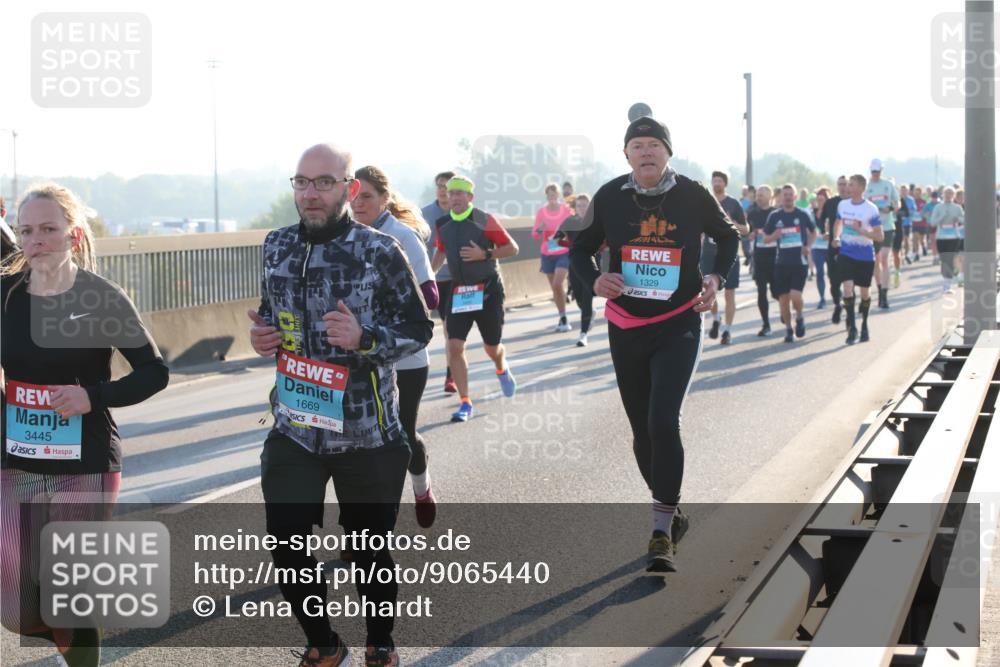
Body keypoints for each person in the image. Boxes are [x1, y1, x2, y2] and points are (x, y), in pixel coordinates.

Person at [247, 144, 433, 667]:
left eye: (324, 182)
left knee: (369, 552)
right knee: (286, 546)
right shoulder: (277, 244)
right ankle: (323, 643)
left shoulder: (379, 250)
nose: (310, 193)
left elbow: (419, 329)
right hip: (296, 427)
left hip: (368, 433)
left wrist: (365, 339)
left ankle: (380, 641)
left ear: (349, 189)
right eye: (302, 182)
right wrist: (264, 335)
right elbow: (272, 311)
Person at [1, 183, 169, 667]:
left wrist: (90, 397)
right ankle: (68, 635)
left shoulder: (101, 298)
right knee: (14, 610)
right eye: (27, 230)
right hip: (15, 466)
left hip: (86, 463)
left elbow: (155, 373)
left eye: (48, 230)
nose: (36, 241)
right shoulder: (5, 297)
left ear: (73, 236)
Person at [570, 116, 740, 572]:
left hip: (678, 321)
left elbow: (727, 236)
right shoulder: (609, 196)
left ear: (668, 153)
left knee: (664, 420)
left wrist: (715, 277)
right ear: (626, 154)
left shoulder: (692, 194)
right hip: (625, 324)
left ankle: (661, 530)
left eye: (654, 145)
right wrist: (595, 278)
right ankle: (672, 510)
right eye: (637, 145)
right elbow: (578, 247)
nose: (646, 151)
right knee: (642, 433)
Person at [352, 165, 440, 529]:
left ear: (385, 198)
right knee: (355, 444)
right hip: (359, 356)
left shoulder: (402, 236)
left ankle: (421, 488)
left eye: (367, 197)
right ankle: (360, 530)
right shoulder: (344, 238)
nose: (358, 205)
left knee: (400, 434)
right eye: (352, 197)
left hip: (405, 357)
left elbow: (431, 296)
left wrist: (384, 307)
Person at [429, 176, 520, 423]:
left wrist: (485, 254)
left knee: (491, 347)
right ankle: (465, 402)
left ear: (470, 197)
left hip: (488, 290)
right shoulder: (443, 223)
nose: (455, 197)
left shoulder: (483, 219)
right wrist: (429, 276)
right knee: (455, 346)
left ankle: (501, 366)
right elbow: (441, 250)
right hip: (461, 292)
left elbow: (512, 248)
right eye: (451, 193)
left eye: (460, 193)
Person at [762, 184, 816, 343]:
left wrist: (808, 246)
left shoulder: (803, 214)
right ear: (781, 197)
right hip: (781, 263)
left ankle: (799, 316)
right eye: (784, 194)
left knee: (795, 295)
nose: (787, 197)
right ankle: (788, 329)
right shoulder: (774, 216)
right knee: (784, 300)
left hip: (799, 263)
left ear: (795, 196)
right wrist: (775, 236)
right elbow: (765, 239)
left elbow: (813, 232)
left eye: (790, 194)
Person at [834, 174, 883, 344]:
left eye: (852, 185)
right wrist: (836, 237)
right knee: (847, 288)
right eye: (848, 185)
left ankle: (864, 325)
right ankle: (852, 327)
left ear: (861, 188)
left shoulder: (871, 209)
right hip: (846, 253)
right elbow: (838, 223)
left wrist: (861, 231)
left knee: (864, 293)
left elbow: (879, 236)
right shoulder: (842, 204)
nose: (848, 188)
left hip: (864, 254)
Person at [702, 171, 749, 344]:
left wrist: (731, 223)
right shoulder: (706, 201)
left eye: (719, 181)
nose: (716, 183)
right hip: (707, 255)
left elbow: (746, 229)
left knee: (730, 294)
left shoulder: (734, 204)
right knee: (708, 290)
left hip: (729, 256)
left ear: (725, 184)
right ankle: (715, 319)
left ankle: (727, 331)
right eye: (714, 180)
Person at [422, 171, 457, 394]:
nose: (442, 190)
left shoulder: (462, 212)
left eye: (447, 186)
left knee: (449, 330)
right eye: (439, 185)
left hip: (457, 280)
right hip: (432, 280)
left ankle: (451, 375)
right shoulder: (424, 214)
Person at [558, 193, 599, 346]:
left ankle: (583, 334)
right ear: (575, 208)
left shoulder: (596, 221)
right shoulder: (569, 222)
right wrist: (573, 247)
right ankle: (590, 314)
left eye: (586, 205)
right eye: (580, 205)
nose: (583, 208)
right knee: (579, 299)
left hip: (592, 263)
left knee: (587, 299)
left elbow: (607, 240)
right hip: (574, 263)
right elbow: (556, 240)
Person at [532, 183, 574, 332]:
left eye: (554, 195)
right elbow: (535, 234)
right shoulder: (542, 212)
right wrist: (539, 229)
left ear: (558, 195)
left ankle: (569, 294)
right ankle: (563, 317)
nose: (552, 198)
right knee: (555, 289)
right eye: (549, 195)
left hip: (563, 251)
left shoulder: (565, 210)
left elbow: (573, 225)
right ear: (546, 196)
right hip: (547, 253)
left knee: (557, 284)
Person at [864, 159, 899, 309]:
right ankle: (879, 288)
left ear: (881, 171)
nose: (875, 174)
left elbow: (897, 203)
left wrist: (890, 208)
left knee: (884, 258)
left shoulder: (888, 185)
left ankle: (884, 294)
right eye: (873, 172)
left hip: (887, 226)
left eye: (877, 171)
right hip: (872, 229)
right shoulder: (867, 186)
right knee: (875, 262)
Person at [748, 185, 777, 336]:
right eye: (758, 195)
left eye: (762, 195)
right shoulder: (752, 213)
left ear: (770, 196)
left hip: (776, 256)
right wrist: (750, 235)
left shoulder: (776, 213)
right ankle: (766, 324)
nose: (758, 197)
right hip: (759, 257)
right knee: (761, 291)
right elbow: (747, 231)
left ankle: (784, 309)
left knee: (776, 291)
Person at [819, 177, 849, 324]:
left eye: (845, 184)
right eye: (840, 185)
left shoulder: (853, 203)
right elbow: (821, 218)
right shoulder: (831, 203)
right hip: (834, 246)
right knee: (834, 280)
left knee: (849, 280)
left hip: (851, 246)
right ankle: (838, 304)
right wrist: (823, 231)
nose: (842, 187)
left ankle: (850, 315)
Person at [930, 186, 965, 293]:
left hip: (954, 236)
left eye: (950, 193)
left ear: (953, 195)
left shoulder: (957, 207)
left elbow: (964, 220)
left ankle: (947, 285)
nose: (948, 195)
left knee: (950, 259)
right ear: (943, 195)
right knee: (944, 260)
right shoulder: (938, 207)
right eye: (946, 193)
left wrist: (958, 219)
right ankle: (949, 279)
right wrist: (942, 217)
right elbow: (933, 223)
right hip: (941, 237)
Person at [811, 187, 831, 309]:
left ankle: (836, 292)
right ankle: (822, 298)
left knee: (832, 274)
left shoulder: (832, 212)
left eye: (822, 199)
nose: (820, 202)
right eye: (818, 199)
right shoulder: (812, 212)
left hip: (830, 247)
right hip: (817, 247)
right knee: (819, 273)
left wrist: (831, 235)